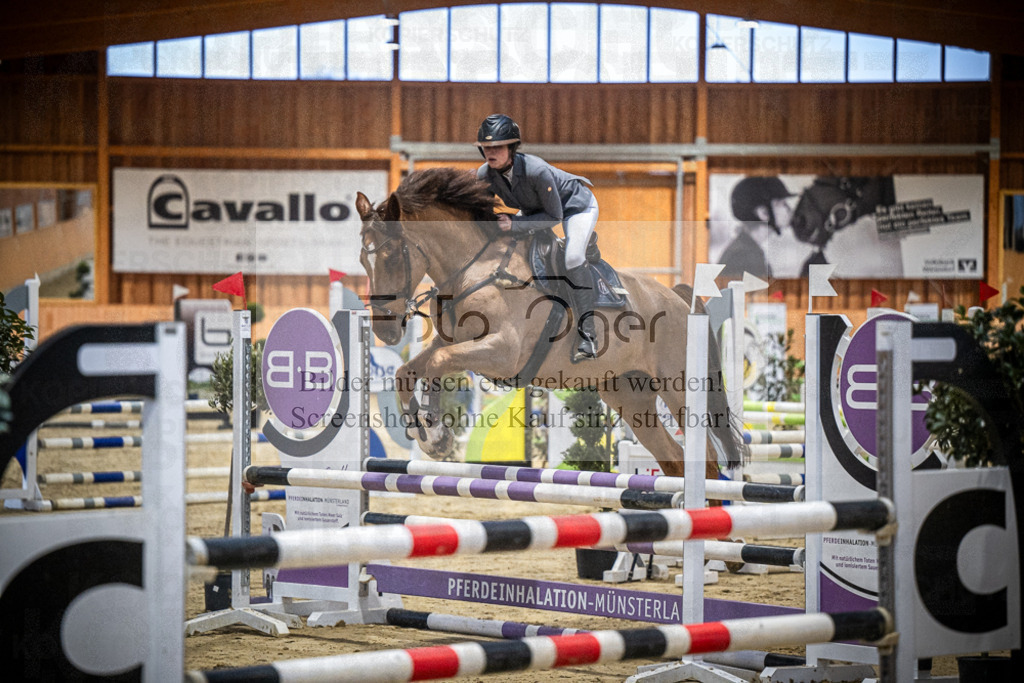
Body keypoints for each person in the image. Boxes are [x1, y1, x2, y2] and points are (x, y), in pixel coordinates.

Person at [474, 114, 600, 360]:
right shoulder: (484, 174)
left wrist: (515, 222)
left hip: (574, 207)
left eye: (497, 147)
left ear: (511, 148)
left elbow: (554, 216)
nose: (491, 152)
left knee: (572, 258)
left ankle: (588, 335)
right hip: (534, 210)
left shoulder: (536, 170)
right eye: (486, 147)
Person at [717, 176, 794, 280]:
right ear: (764, 213)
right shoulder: (747, 256)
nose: (789, 209)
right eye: (782, 204)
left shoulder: (745, 250)